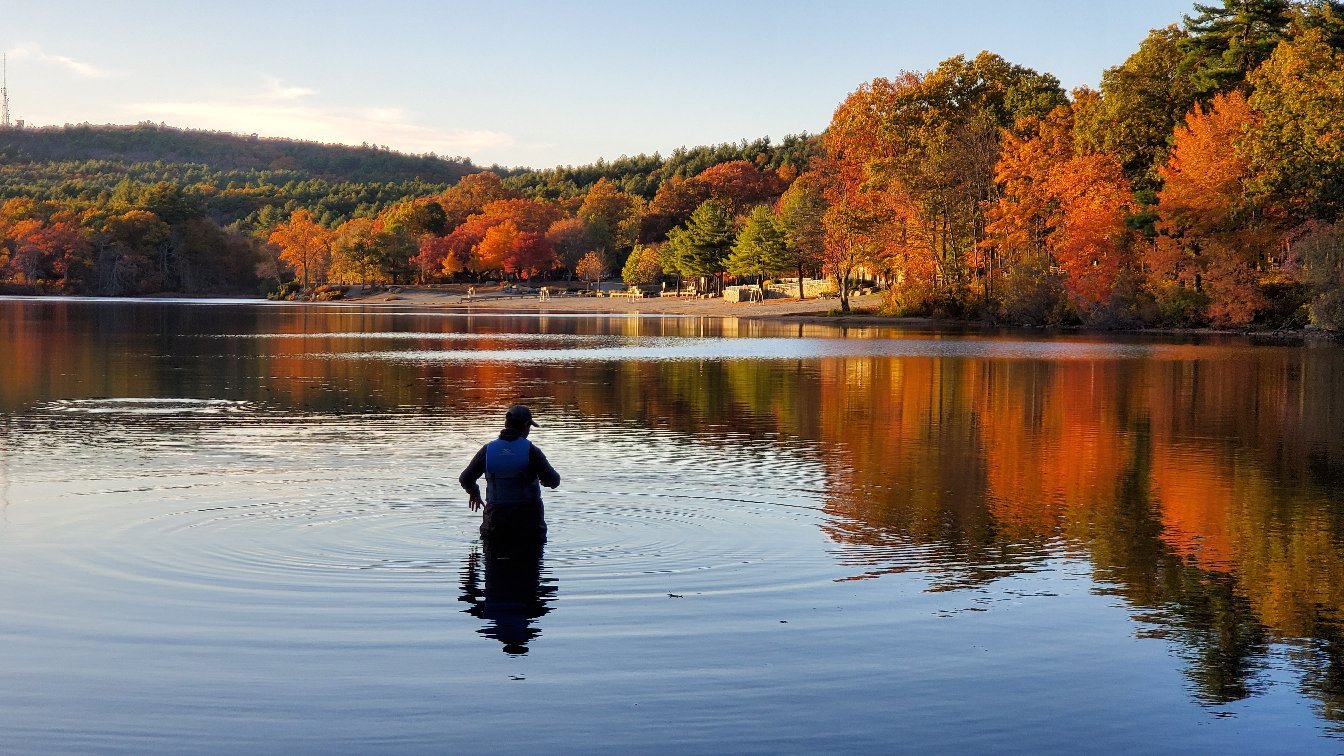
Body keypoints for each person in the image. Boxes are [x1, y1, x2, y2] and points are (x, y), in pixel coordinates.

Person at [459, 404, 561, 540]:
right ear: (526, 425)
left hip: (495, 525)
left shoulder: (487, 450)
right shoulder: (532, 451)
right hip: (529, 527)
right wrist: (544, 480)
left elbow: (465, 478)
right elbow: (554, 481)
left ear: (506, 423)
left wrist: (474, 492)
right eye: (529, 427)